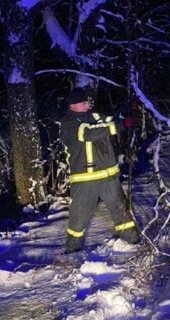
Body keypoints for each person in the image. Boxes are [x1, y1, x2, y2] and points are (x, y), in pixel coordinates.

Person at [60, 87, 140, 253]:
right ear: (73, 105)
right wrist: (119, 125)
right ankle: (71, 250)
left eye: (87, 102)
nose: (87, 105)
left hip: (109, 176)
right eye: (83, 102)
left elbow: (111, 120)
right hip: (84, 180)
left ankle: (134, 242)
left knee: (121, 210)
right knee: (79, 217)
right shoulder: (68, 124)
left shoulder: (94, 116)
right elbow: (89, 133)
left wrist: (126, 114)